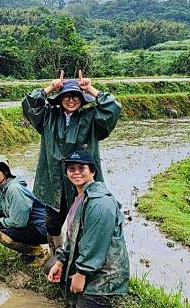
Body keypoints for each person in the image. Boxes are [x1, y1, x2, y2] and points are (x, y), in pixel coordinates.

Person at [22, 70, 121, 256]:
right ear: (59, 98)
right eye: (66, 96)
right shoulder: (48, 117)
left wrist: (90, 88)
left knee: (83, 220)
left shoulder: (90, 118)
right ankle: (56, 256)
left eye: (76, 97)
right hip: (54, 178)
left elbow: (113, 107)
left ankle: (80, 260)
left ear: (82, 99)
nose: (71, 100)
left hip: (81, 179)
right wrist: (51, 87)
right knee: (52, 223)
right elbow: (29, 104)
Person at [47, 150, 129, 308]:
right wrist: (61, 262)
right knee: (49, 266)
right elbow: (71, 236)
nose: (76, 172)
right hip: (89, 261)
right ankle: (77, 289)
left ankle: (103, 300)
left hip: (104, 273)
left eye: (81, 168)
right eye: (71, 168)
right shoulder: (80, 196)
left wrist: (81, 273)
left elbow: (95, 244)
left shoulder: (99, 202)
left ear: (92, 171)